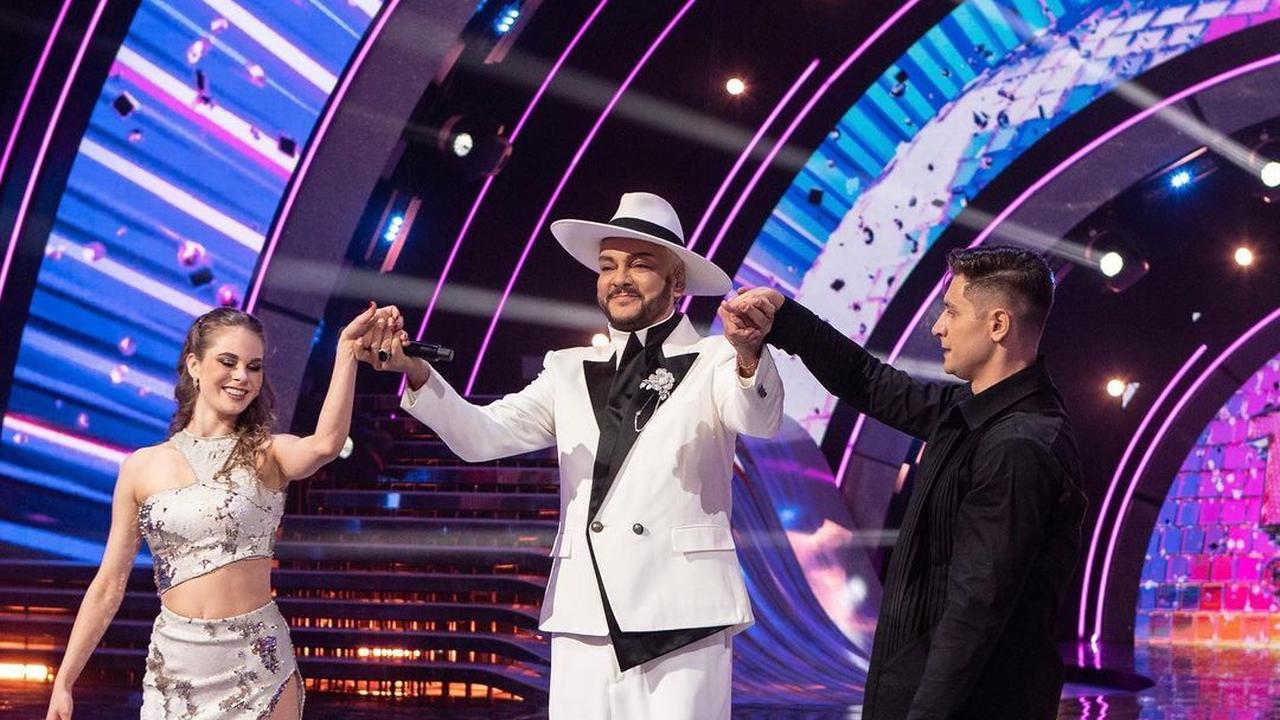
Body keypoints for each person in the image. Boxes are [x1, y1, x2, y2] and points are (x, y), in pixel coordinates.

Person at [360, 192, 783, 719]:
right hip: (585, 610)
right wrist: (416, 371)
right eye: (608, 266)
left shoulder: (715, 357)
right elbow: (481, 437)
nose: (619, 278)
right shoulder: (567, 368)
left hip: (682, 610)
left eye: (639, 264)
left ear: (677, 282)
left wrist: (749, 355)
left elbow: (759, 419)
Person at [724, 246, 1086, 719]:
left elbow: (975, 611)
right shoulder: (969, 412)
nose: (938, 327)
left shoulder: (1019, 446)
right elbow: (870, 381)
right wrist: (784, 319)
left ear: (998, 325)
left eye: (952, 311)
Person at [45, 304, 383, 719]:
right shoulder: (141, 467)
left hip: (257, 668)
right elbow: (108, 585)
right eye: (228, 362)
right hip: (176, 670)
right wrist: (64, 681)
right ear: (194, 365)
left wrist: (346, 351)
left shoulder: (268, 453)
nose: (242, 376)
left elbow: (326, 444)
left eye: (254, 367)